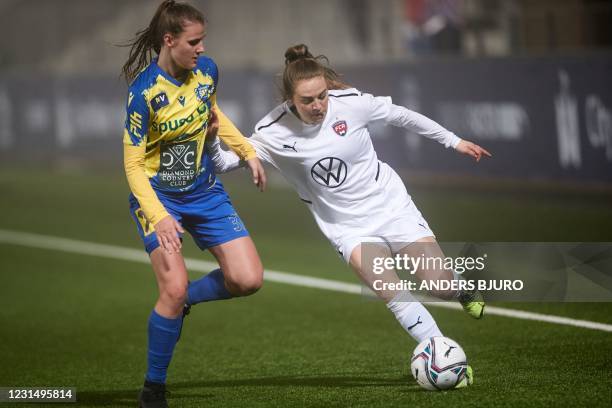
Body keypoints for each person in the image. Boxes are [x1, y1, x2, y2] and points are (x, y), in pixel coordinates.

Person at [206, 44, 492, 388]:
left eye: (322, 96)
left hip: (390, 206)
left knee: (439, 285)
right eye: (307, 101)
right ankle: (448, 362)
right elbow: (223, 164)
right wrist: (210, 140)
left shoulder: (351, 104)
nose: (318, 106)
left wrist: (453, 141)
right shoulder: (272, 131)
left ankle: (460, 288)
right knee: (394, 293)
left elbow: (401, 115)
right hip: (347, 227)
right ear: (289, 100)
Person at [121, 1, 267, 407]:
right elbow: (133, 167)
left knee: (248, 279)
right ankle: (154, 388)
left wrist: (246, 151)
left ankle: (188, 300)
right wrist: (159, 216)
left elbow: (213, 112)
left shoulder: (207, 71)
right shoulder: (143, 94)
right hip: (158, 197)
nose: (201, 49)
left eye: (203, 41)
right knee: (172, 285)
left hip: (205, 191)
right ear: (169, 41)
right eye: (194, 41)